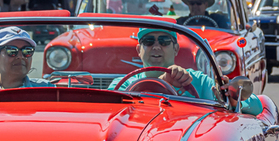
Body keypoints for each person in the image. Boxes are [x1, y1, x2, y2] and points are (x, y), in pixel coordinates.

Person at [112, 28, 262, 115]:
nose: (156, 47)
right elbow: (107, 112)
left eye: (164, 41)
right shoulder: (123, 84)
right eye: (149, 41)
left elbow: (256, 107)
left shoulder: (198, 81)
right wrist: (163, 81)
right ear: (139, 50)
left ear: (176, 49)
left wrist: (230, 95)